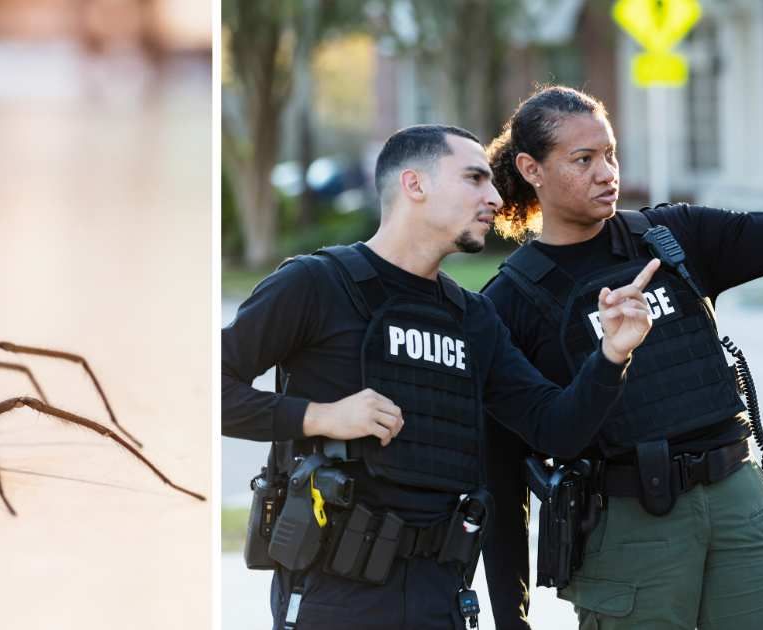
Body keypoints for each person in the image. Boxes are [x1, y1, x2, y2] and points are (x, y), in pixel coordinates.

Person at [222, 124, 659, 630]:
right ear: (414, 185)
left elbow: (554, 427)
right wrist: (319, 417)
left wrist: (611, 355)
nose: (494, 197)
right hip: (336, 596)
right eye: (474, 178)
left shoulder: (472, 318)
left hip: (442, 596)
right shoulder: (317, 285)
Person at [481, 85, 763, 630]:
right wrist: (511, 617)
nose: (607, 172)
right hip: (628, 530)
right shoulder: (509, 303)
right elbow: (500, 474)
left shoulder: (672, 237)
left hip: (739, 504)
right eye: (583, 160)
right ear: (531, 169)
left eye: (609, 153)